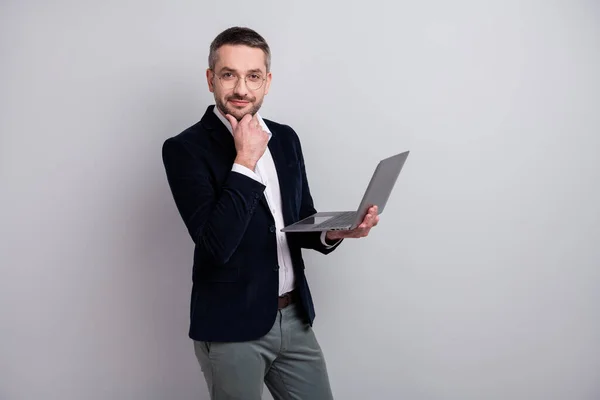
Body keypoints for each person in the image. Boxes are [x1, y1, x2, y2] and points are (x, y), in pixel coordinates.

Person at [161, 26, 379, 400]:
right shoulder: (185, 149)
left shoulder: (285, 138)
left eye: (253, 76)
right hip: (231, 327)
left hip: (294, 319)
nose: (242, 89)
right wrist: (244, 160)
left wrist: (336, 231)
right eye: (229, 75)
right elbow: (215, 245)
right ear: (211, 78)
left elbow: (298, 220)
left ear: (268, 82)